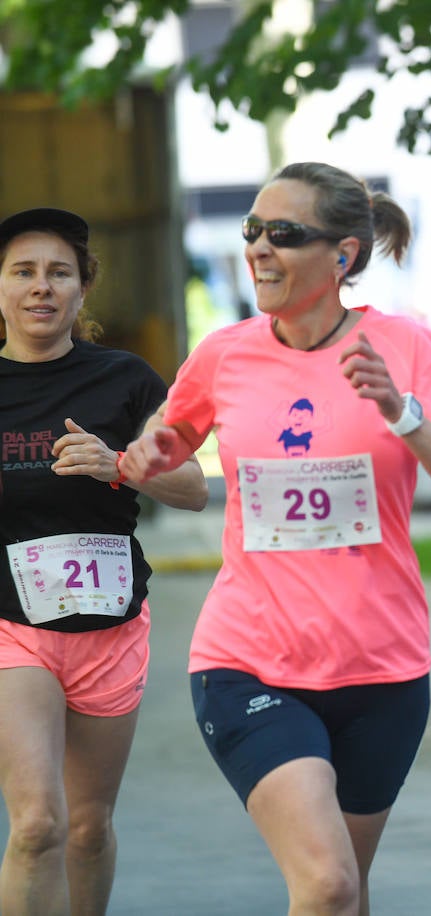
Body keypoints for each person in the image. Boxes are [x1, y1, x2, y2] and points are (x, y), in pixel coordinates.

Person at [119, 162, 431, 915]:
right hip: (250, 662)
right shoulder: (226, 354)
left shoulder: (408, 348)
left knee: (344, 894)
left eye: (283, 235)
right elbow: (165, 452)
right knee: (325, 882)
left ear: (344, 256)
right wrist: (147, 460)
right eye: (254, 231)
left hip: (383, 671)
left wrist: (402, 410)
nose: (258, 247)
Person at [0, 207, 208, 915]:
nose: (41, 287)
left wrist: (118, 464)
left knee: (88, 828)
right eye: (23, 272)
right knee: (37, 826)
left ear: (82, 290)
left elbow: (193, 490)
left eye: (59, 272)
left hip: (110, 625)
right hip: (11, 627)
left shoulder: (125, 380)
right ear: (0, 288)